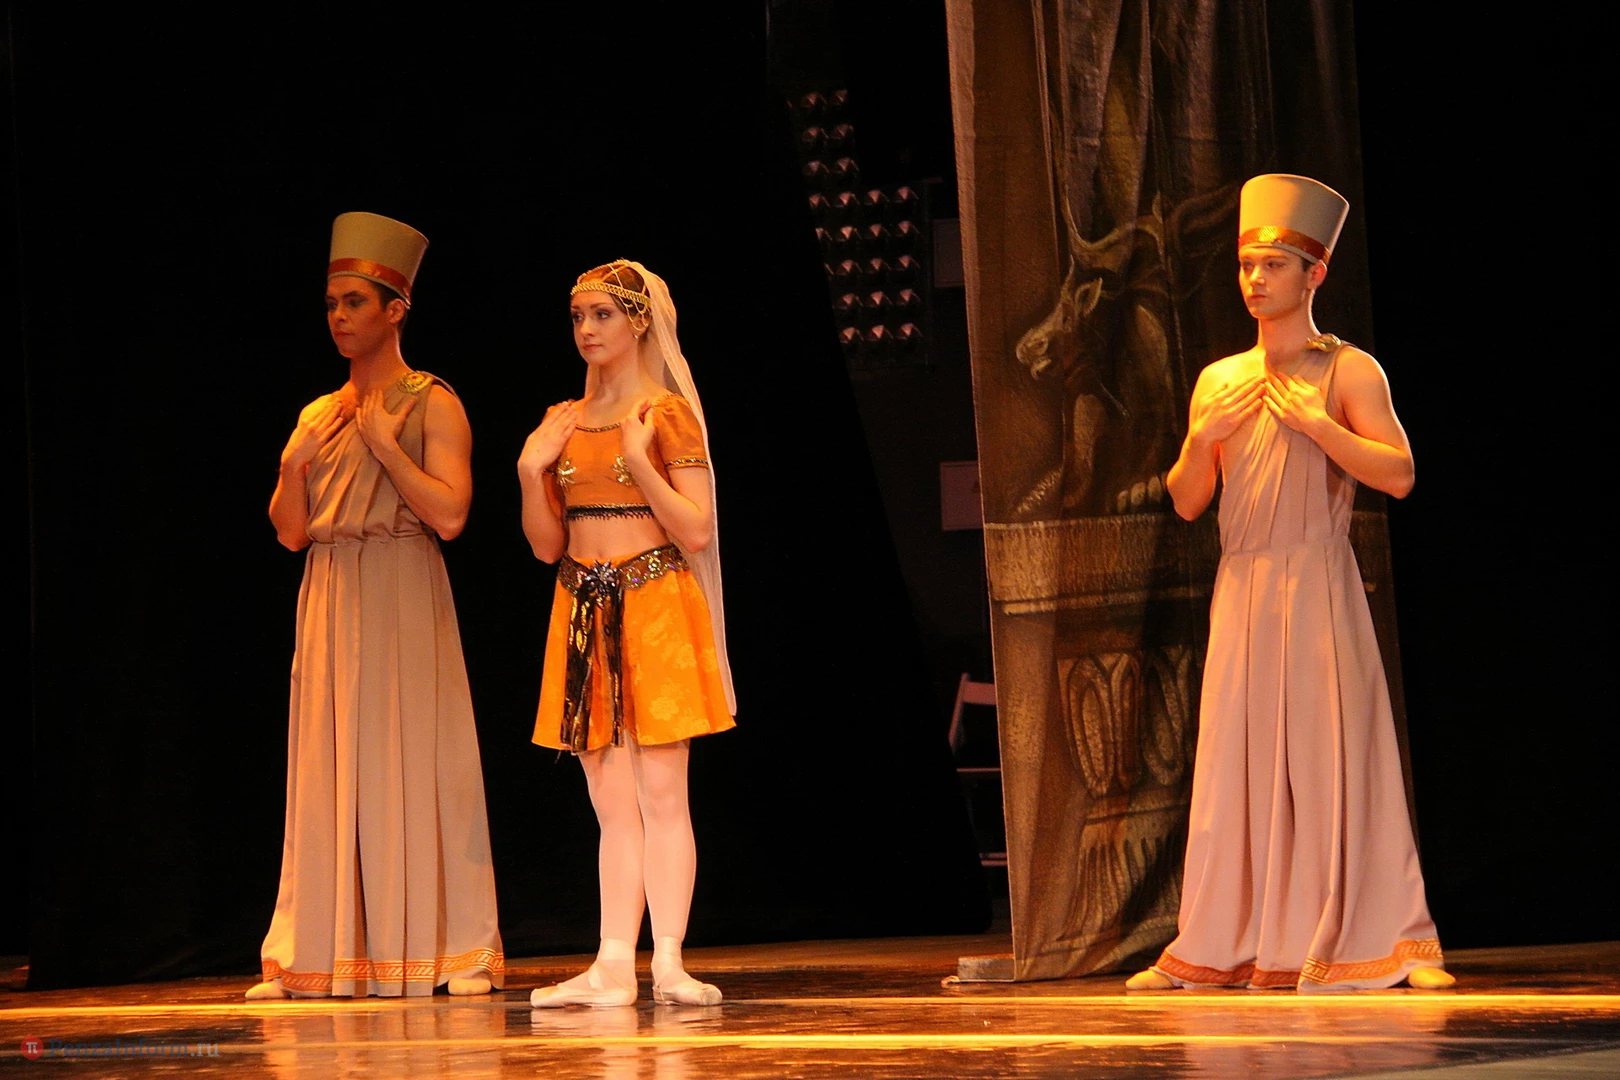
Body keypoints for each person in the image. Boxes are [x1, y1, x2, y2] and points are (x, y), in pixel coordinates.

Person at [1128, 175, 1453, 992]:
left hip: (1316, 581)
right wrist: (1201, 438)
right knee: (1235, 763)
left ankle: (1393, 941)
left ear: (1314, 274)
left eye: (1273, 265)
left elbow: (1401, 474)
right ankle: (1215, 944)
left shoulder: (1348, 370)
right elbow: (1188, 499)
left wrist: (1318, 426)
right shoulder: (1219, 380)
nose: (1255, 279)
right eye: (1247, 265)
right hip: (1244, 584)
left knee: (1335, 754)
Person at [248, 212, 504, 1000]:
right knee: (328, 767)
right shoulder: (317, 414)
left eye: (354, 302)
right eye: (331, 304)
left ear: (396, 310)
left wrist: (388, 448)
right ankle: (315, 953)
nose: (338, 317)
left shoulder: (432, 402)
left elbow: (451, 515)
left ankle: (453, 948)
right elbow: (290, 533)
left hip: (400, 584)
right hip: (330, 591)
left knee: (415, 756)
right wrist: (292, 465)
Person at [518, 259, 736, 1007]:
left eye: (602, 314)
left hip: (654, 602)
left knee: (662, 790)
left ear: (640, 322)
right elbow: (547, 545)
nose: (587, 329)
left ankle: (668, 960)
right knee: (609, 800)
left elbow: (697, 530)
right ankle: (613, 962)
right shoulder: (562, 418)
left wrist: (640, 463)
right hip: (582, 607)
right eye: (578, 316)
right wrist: (529, 472)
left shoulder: (664, 415)